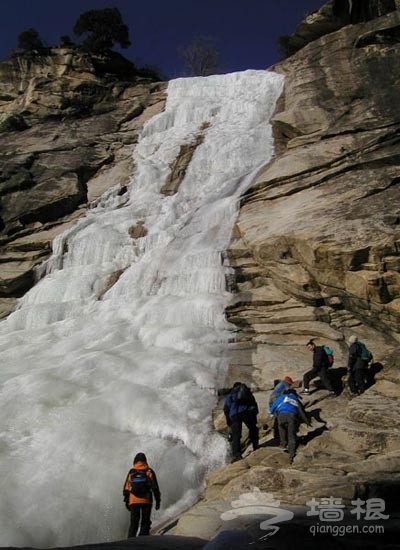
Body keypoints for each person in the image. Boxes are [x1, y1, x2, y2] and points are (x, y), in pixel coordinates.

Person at [123, 452, 161, 538]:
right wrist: (158, 501)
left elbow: (126, 488)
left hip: (133, 500)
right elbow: (155, 488)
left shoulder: (132, 472)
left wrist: (127, 501)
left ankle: (130, 541)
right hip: (146, 500)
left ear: (135, 461)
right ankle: (143, 541)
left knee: (134, 523)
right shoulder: (149, 471)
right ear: (145, 461)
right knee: (145, 522)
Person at [269, 388, 310, 463]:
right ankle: (291, 454)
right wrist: (307, 422)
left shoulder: (281, 397)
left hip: (281, 416)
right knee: (291, 435)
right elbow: (301, 411)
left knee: (282, 429)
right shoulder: (295, 399)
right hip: (291, 416)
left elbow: (273, 407)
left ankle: (283, 444)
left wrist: (272, 414)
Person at [223, 382, 259, 462]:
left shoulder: (231, 394)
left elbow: (226, 408)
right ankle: (255, 446)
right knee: (253, 429)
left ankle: (237, 455)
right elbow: (254, 405)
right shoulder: (247, 392)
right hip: (247, 412)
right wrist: (254, 417)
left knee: (236, 435)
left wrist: (229, 421)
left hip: (235, 414)